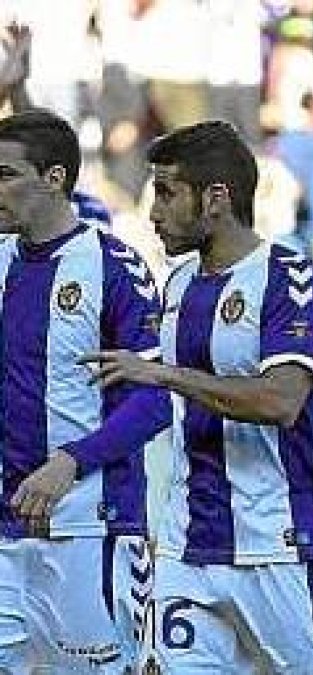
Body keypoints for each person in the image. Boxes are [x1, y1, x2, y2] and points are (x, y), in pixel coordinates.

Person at [81, 120, 313, 672]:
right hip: (190, 546)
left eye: (166, 192)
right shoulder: (179, 286)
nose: (153, 211)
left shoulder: (288, 275)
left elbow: (281, 401)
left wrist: (165, 375)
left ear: (215, 199)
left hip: (287, 544)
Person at [0, 110, 166, 671]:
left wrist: (70, 462)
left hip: (90, 527)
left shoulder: (112, 265)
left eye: (5, 175)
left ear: (54, 179)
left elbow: (154, 398)